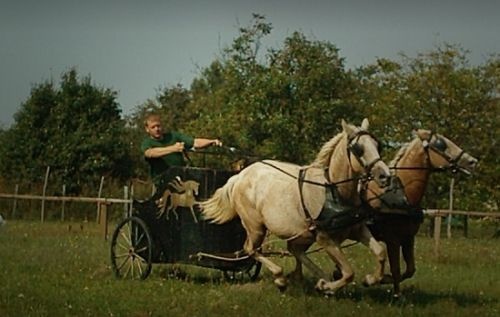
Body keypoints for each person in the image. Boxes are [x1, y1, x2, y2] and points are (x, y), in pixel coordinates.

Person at [141, 113, 222, 185]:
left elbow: (194, 142)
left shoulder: (173, 136)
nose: (157, 129)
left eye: (158, 126)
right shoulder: (147, 143)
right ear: (147, 129)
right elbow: (150, 153)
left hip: (181, 181)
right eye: (153, 127)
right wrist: (173, 149)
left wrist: (211, 141)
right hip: (161, 183)